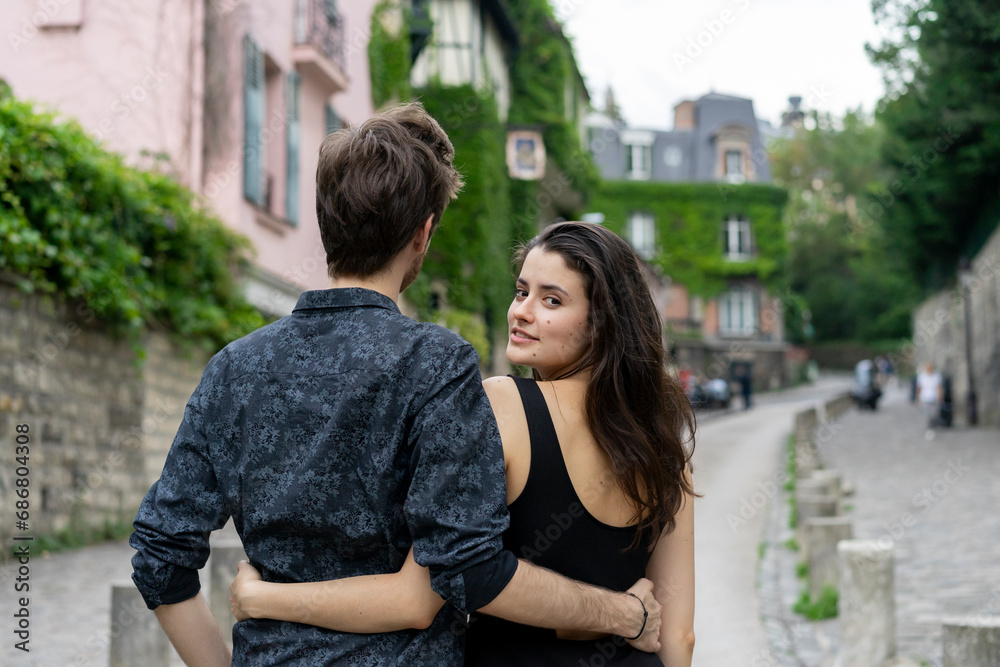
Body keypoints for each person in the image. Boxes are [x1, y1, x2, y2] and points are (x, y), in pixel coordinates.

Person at [129, 104, 659, 667]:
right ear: (422, 234)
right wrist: (625, 615)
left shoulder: (235, 367)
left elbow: (160, 555)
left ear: (325, 220)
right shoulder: (436, 364)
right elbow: (463, 565)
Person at [229, 222, 698, 666]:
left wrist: (263, 598)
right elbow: (678, 636)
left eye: (552, 301)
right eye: (522, 291)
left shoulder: (503, 403)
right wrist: (625, 616)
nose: (522, 311)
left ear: (603, 324)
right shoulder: (666, 453)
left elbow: (430, 589)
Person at [916, 362, 944, 428]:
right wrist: (917, 397)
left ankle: (933, 424)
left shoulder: (936, 376)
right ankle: (929, 426)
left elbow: (939, 387)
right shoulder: (922, 376)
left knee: (935, 413)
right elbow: (919, 387)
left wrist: (940, 396)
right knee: (927, 414)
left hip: (934, 397)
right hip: (925, 397)